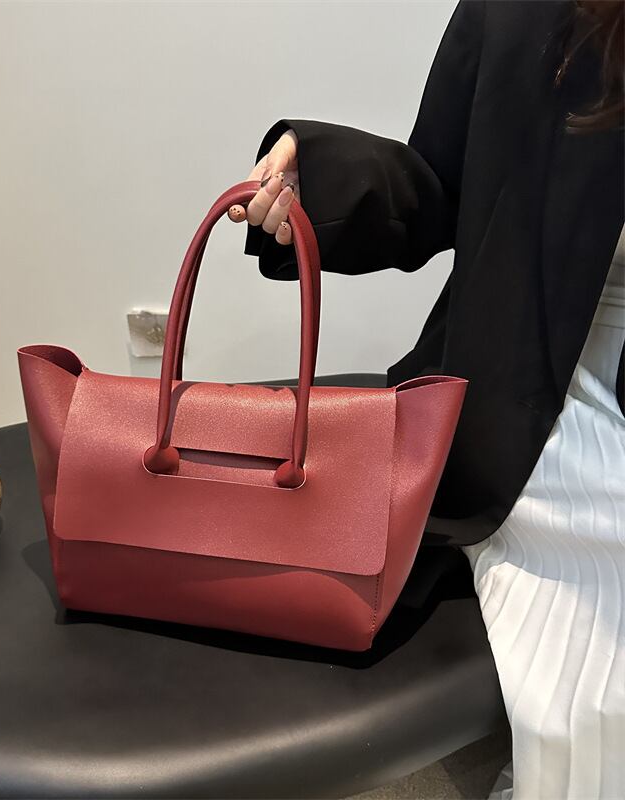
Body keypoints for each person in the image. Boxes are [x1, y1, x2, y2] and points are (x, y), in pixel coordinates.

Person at [227, 1, 624, 798]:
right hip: (538, 391)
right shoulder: (529, 13)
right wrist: (318, 176)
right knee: (593, 687)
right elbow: (437, 184)